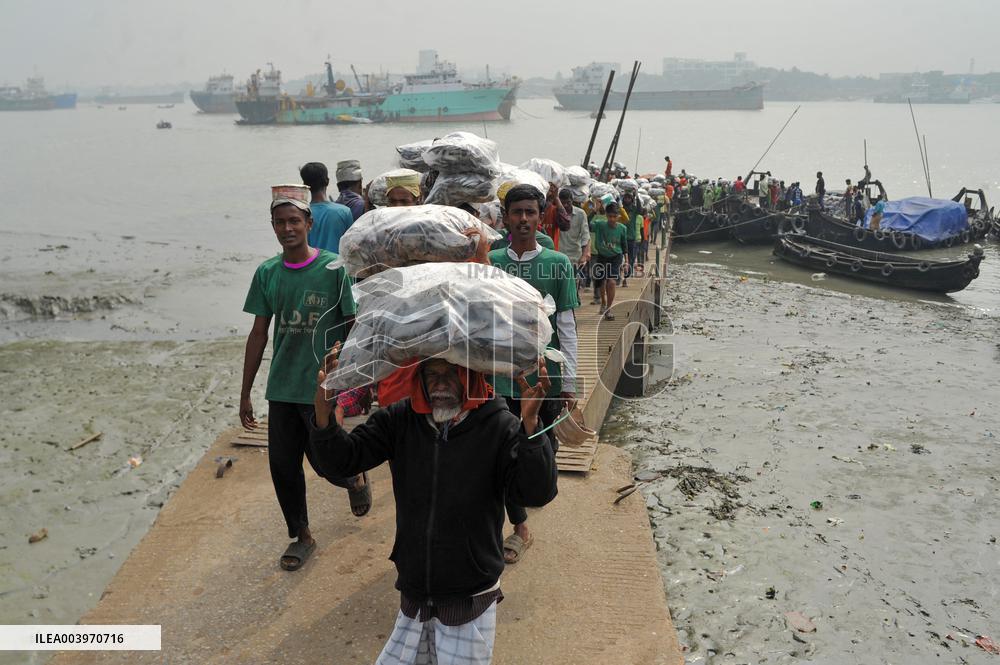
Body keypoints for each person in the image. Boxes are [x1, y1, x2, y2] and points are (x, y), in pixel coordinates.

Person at [309, 348, 558, 665]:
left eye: (450, 373)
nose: (439, 384)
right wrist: (322, 411)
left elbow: (537, 492)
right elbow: (342, 460)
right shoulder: (400, 419)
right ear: (419, 378)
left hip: (469, 594)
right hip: (415, 591)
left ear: (470, 375)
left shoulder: (499, 426)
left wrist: (531, 427)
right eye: (431, 374)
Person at [240, 184, 369, 573]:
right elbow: (259, 333)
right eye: (279, 222)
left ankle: (355, 478)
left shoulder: (334, 269)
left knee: (327, 464)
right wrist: (245, 392)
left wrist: (350, 381)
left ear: (309, 223)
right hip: (282, 386)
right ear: (273, 227)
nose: (287, 228)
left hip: (322, 387)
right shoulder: (267, 273)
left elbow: (353, 325)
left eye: (294, 220)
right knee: (283, 465)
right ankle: (302, 536)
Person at [488, 184, 578, 565]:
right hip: (500, 377)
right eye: (516, 213)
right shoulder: (490, 262)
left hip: (544, 379)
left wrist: (570, 381)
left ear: (541, 218)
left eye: (530, 213)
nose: (523, 219)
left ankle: (532, 490)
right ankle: (519, 526)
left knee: (540, 450)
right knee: (500, 453)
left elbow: (567, 325)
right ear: (505, 217)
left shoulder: (557, 263)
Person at [300, 162, 354, 254]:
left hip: (311, 267)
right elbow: (351, 247)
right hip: (338, 267)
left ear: (305, 185)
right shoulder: (344, 212)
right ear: (327, 181)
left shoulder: (301, 214)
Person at [591, 201, 629, 320]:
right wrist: (594, 210)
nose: (612, 219)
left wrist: (626, 261)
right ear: (606, 215)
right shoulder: (600, 225)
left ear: (618, 216)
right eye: (609, 216)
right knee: (601, 281)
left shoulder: (622, 228)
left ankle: (608, 308)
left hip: (615, 257)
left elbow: (624, 246)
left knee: (611, 282)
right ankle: (603, 301)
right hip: (602, 256)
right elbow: (587, 223)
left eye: (614, 216)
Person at [557, 188, 591, 292]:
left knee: (573, 283)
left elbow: (585, 235)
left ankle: (573, 301)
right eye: (563, 203)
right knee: (560, 283)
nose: (566, 205)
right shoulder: (556, 213)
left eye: (568, 202)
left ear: (572, 201)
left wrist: (584, 255)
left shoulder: (581, 214)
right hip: (559, 255)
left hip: (575, 256)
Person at [540, 183, 572, 250]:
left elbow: (565, 226)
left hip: (550, 252)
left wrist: (556, 198)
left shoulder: (555, 210)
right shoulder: (534, 209)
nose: (551, 190)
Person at [621, 188, 642, 286]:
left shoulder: (634, 209)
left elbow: (640, 209)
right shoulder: (621, 208)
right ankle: (621, 276)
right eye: (626, 198)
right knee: (620, 258)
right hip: (621, 236)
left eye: (629, 198)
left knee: (631, 258)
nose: (627, 200)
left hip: (631, 237)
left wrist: (636, 195)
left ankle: (626, 276)